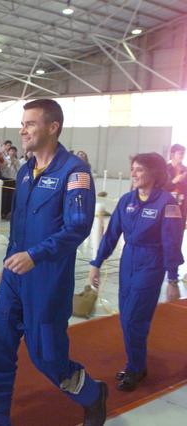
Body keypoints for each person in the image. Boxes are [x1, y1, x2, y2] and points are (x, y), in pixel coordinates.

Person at [0, 99, 107, 426]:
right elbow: (18, 226)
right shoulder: (24, 172)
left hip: (47, 281)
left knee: (48, 357)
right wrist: (9, 261)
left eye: (30, 124)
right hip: (14, 278)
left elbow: (77, 227)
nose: (23, 130)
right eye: (23, 123)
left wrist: (35, 256)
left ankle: (92, 394)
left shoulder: (74, 173)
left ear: (53, 127)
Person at [89, 152, 184, 391]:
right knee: (127, 316)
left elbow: (171, 242)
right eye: (132, 168)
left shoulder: (167, 203)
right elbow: (111, 235)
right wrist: (96, 263)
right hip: (128, 260)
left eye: (139, 169)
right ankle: (136, 359)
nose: (133, 173)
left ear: (154, 173)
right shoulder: (126, 201)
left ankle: (136, 367)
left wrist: (172, 279)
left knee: (134, 318)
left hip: (151, 263)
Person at [165, 144, 187, 222]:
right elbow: (161, 187)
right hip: (168, 203)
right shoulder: (165, 169)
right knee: (169, 226)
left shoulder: (185, 170)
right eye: (180, 153)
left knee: (179, 228)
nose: (182, 155)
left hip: (182, 204)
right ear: (172, 154)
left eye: (183, 153)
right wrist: (175, 181)